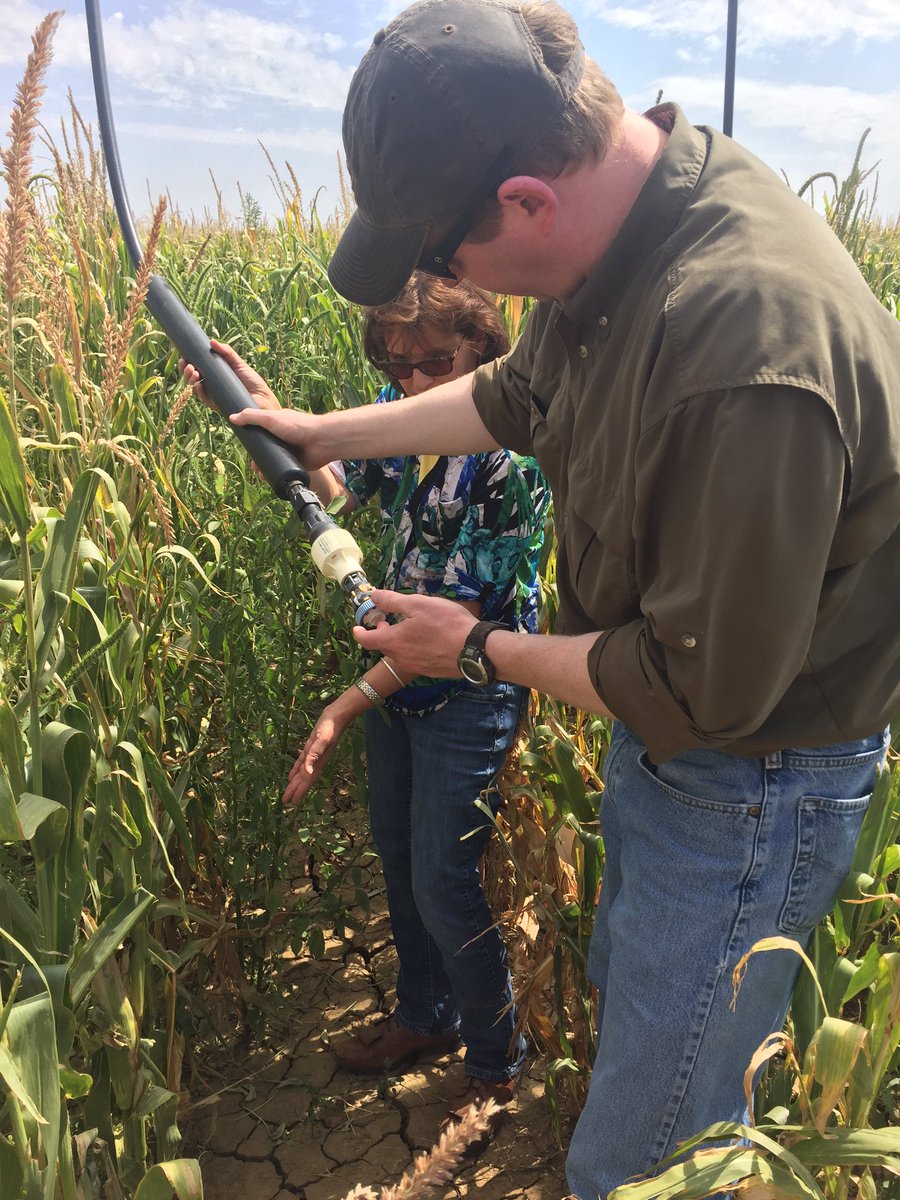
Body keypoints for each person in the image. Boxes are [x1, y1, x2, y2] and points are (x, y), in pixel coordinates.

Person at [225, 2, 900, 1196]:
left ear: (529, 201)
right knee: (674, 1082)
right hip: (677, 746)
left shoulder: (741, 342)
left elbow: (702, 691)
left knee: (645, 1161)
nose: (440, 286)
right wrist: (321, 428)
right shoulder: (633, 231)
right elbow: (516, 395)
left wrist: (476, 645)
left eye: (443, 260)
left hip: (750, 779)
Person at [183, 273, 549, 1136]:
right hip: (398, 681)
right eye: (392, 360)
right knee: (396, 857)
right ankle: (426, 1017)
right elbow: (351, 489)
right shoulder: (404, 411)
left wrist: (346, 703)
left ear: (483, 351)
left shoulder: (511, 457)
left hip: (466, 688)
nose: (411, 382)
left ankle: (497, 1066)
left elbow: (461, 631)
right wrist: (268, 411)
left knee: (443, 881)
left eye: (431, 362)